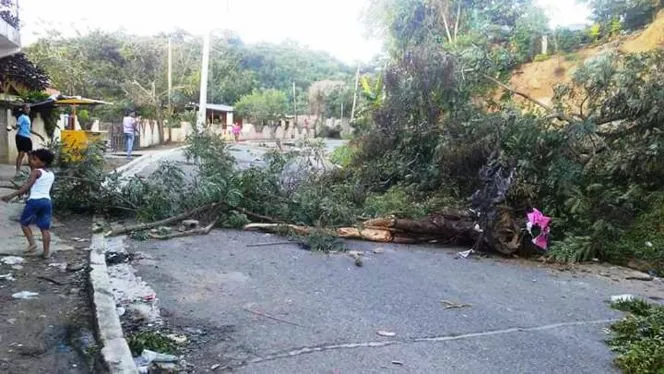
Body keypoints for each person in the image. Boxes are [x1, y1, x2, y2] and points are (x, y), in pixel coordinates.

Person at [1, 149, 56, 259]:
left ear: (43, 162)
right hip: (46, 202)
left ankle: (32, 244)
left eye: (35, 160)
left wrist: (11, 195)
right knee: (45, 229)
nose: (32, 161)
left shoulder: (36, 172)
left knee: (24, 223)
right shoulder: (51, 174)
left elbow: (28, 185)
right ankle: (46, 253)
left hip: (34, 201)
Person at [14, 104, 33, 176]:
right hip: (21, 137)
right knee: (21, 154)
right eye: (27, 108)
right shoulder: (21, 117)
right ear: (23, 109)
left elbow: (29, 129)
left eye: (29, 108)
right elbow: (17, 126)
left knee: (30, 154)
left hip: (27, 137)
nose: (28, 109)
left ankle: (32, 171)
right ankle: (17, 172)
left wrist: (39, 135)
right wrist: (12, 127)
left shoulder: (28, 117)